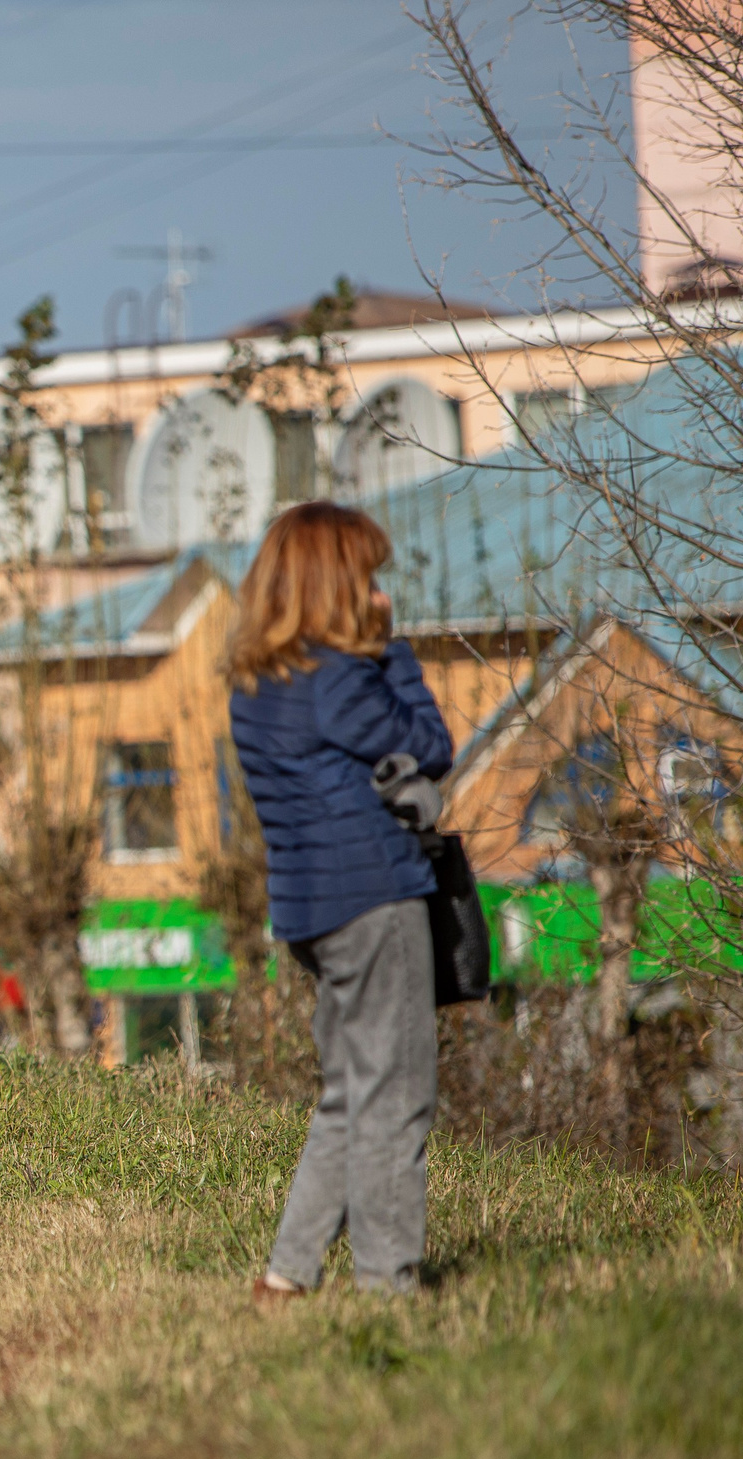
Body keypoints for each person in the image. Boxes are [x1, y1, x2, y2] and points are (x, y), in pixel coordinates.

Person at [228, 501, 454, 1300]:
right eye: (366, 575)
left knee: (348, 1093)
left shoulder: (257, 682)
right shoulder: (344, 675)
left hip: (309, 910)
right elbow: (429, 745)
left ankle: (288, 1275)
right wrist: (395, 653)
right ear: (336, 582)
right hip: (375, 897)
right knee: (397, 1098)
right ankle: (387, 1286)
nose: (375, 589)